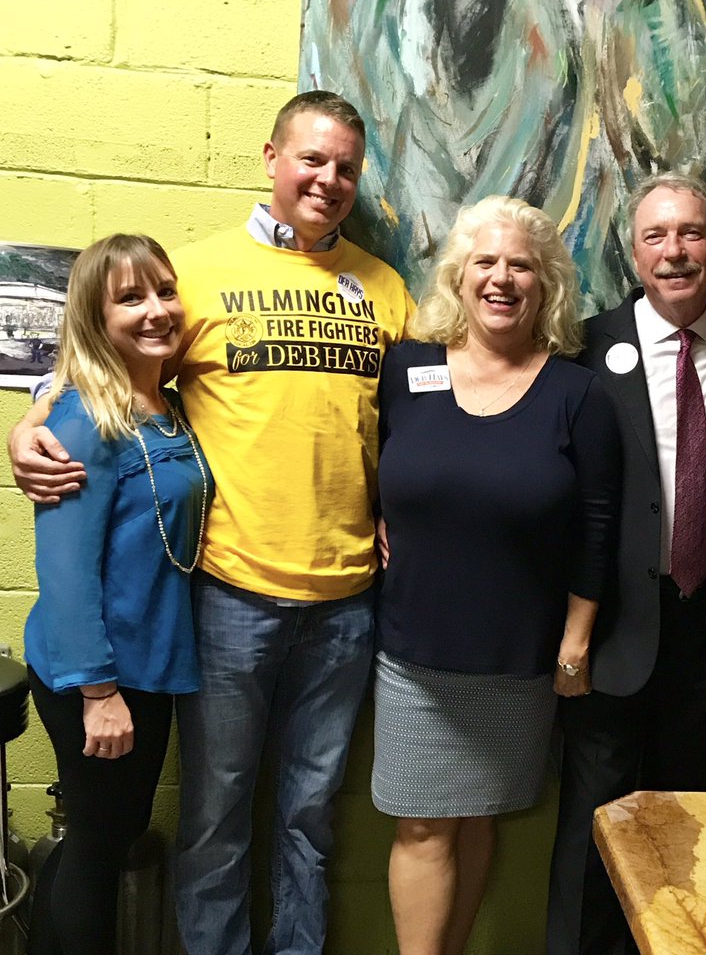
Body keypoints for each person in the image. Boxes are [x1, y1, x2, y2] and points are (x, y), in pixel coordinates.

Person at [8, 91, 415, 955]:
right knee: (218, 816)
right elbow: (104, 351)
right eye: (311, 158)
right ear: (271, 158)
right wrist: (32, 419)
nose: (328, 179)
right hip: (231, 597)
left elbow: (414, 421)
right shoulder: (190, 274)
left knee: (309, 814)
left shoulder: (384, 289)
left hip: (346, 600)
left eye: (345, 166)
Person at [547, 174, 706, 955]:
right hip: (612, 624)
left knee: (687, 828)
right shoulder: (587, 347)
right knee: (595, 824)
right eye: (655, 236)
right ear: (632, 252)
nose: (674, 251)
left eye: (689, 233)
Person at [373, 196, 620, 955]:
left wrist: (574, 644)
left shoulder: (576, 395)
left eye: (521, 265)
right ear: (459, 274)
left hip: (518, 658)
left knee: (477, 815)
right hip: (415, 649)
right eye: (485, 261)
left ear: (545, 284)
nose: (501, 279)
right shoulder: (408, 367)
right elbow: (381, 466)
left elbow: (596, 529)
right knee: (420, 822)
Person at [23, 234, 213, 954]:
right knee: (101, 849)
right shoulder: (82, 420)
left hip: (151, 663)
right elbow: (65, 573)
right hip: (97, 676)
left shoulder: (167, 405)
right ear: (94, 317)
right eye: (130, 298)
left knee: (106, 839)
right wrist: (99, 693)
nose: (157, 309)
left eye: (164, 290)